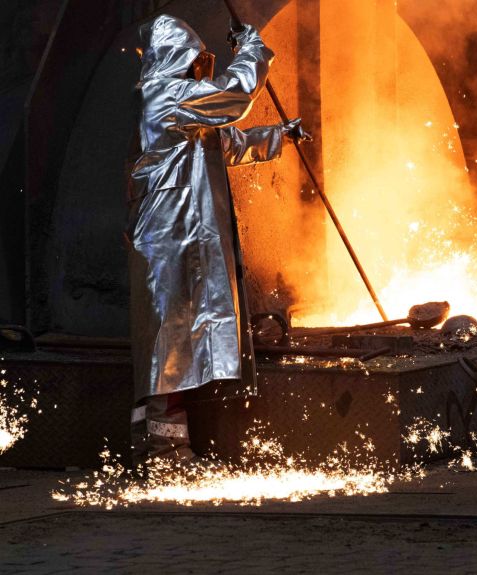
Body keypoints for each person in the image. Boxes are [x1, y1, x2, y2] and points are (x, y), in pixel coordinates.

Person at [126, 14, 309, 465]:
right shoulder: (164, 95)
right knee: (168, 346)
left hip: (188, 239)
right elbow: (235, 95)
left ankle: (162, 448)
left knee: (182, 341)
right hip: (168, 240)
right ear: (177, 58)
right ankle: (162, 453)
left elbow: (227, 143)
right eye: (194, 62)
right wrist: (252, 47)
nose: (198, 70)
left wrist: (279, 137)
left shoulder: (187, 106)